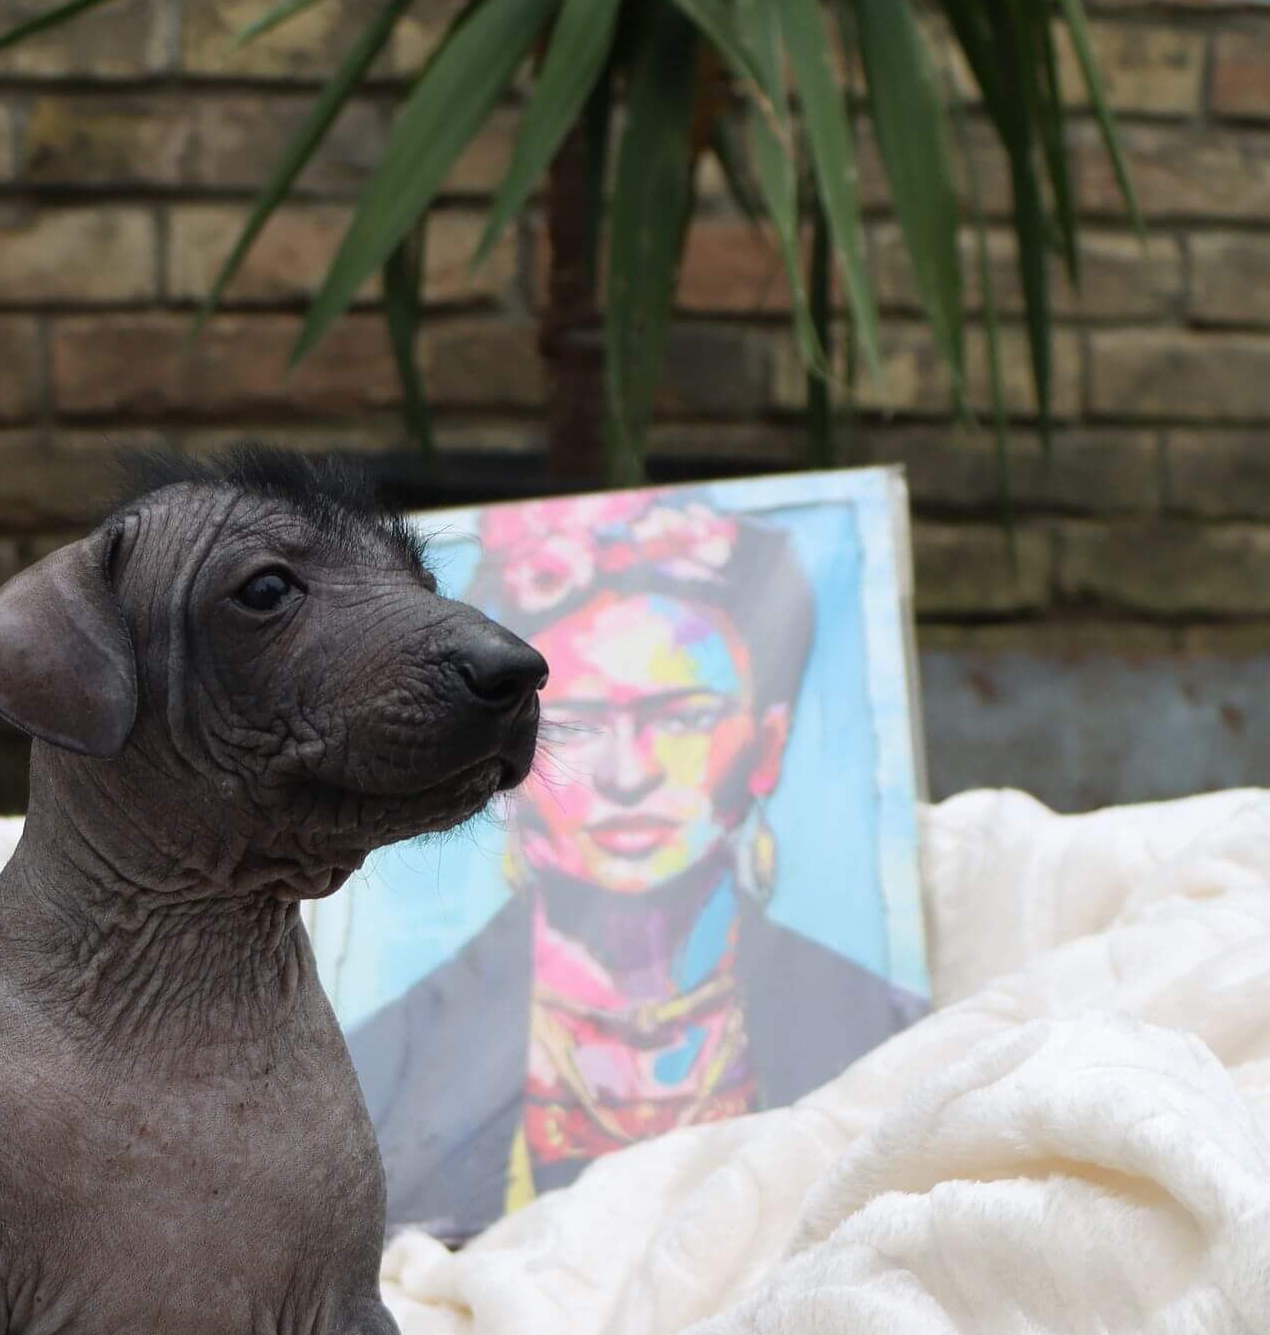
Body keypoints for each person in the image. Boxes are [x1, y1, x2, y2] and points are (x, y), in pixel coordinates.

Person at [346, 492, 927, 1238]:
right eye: (580, 722)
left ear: (767, 744)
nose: (628, 775)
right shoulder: (378, 1064)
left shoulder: (883, 1036)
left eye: (682, 717)